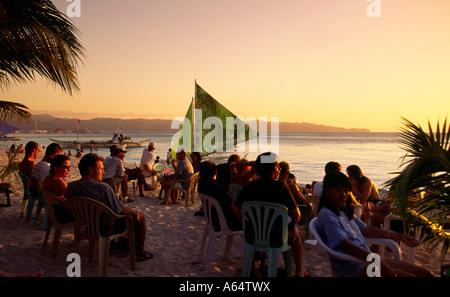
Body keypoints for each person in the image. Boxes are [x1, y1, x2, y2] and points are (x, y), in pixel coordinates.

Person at [316, 171, 433, 277]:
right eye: (338, 190)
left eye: (346, 191)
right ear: (327, 191)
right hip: (353, 268)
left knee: (425, 273)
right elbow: (346, 246)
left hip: (369, 261)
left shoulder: (343, 210)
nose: (343, 195)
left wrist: (399, 236)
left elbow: (366, 229)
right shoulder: (327, 215)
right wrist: (376, 261)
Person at [65, 153, 153, 262]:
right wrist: (136, 214)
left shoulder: (71, 187)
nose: (103, 172)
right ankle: (140, 253)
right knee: (140, 217)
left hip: (85, 226)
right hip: (106, 228)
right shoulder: (103, 188)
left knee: (113, 213)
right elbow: (123, 211)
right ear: (91, 169)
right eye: (101, 169)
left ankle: (121, 242)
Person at [233, 152, 306, 277]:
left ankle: (250, 269)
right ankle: (299, 272)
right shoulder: (281, 187)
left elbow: (235, 207)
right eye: (277, 165)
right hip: (276, 237)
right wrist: (292, 225)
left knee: (256, 228)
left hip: (253, 235)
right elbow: (296, 215)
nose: (279, 169)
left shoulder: (250, 186)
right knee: (296, 234)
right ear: (273, 168)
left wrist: (245, 222)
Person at [197, 161, 242, 231]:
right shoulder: (218, 189)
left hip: (213, 220)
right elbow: (232, 207)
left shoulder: (201, 185)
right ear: (215, 172)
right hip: (226, 223)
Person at [42, 154, 74, 223]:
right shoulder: (58, 182)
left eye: (69, 167)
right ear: (55, 168)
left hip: (52, 212)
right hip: (61, 215)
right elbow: (72, 199)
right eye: (66, 167)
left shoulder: (48, 178)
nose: (69, 170)